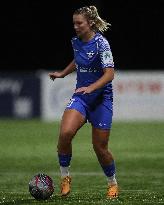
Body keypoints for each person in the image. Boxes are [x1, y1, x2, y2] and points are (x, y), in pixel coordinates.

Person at [49, 5, 119, 199]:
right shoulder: (76, 41)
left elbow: (110, 74)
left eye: (79, 23)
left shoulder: (101, 44)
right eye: (74, 23)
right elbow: (78, 60)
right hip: (81, 97)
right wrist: (63, 73)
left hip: (101, 99)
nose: (75, 27)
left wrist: (92, 87)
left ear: (90, 23)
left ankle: (112, 183)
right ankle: (65, 178)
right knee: (65, 133)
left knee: (100, 148)